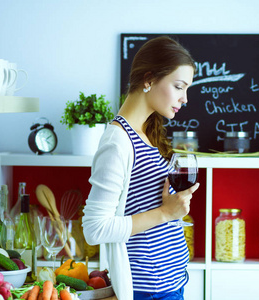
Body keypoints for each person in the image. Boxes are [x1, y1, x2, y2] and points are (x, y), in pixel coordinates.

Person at [82, 36, 200, 300]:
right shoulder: (117, 140)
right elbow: (94, 228)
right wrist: (166, 212)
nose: (185, 98)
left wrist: (174, 207)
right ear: (149, 79)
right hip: (148, 290)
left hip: (173, 281)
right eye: (179, 86)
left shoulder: (147, 132)